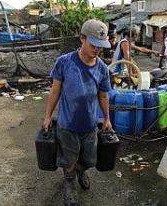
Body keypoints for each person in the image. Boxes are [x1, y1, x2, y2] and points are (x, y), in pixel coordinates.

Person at [42, 19, 113, 206]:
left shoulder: (102, 68)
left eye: (100, 46)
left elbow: (103, 95)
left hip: (90, 125)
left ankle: (81, 171)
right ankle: (69, 182)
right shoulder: (64, 62)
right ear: (82, 39)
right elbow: (55, 90)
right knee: (68, 159)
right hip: (67, 125)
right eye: (93, 44)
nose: (97, 49)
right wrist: (48, 116)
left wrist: (107, 118)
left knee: (90, 159)